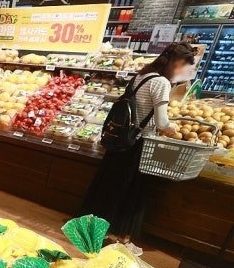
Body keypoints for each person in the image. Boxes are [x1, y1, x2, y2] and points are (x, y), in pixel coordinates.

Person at [81, 42, 195, 255]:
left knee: (110, 187)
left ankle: (97, 233)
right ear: (177, 63)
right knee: (132, 193)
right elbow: (161, 121)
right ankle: (123, 240)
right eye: (184, 66)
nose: (183, 71)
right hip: (138, 145)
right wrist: (173, 129)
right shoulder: (161, 82)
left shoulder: (140, 76)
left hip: (120, 140)